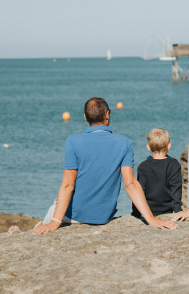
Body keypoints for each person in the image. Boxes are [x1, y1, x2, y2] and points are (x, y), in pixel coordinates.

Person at [9, 97, 176, 235]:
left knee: (36, 228)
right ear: (107, 115)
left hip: (72, 216)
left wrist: (55, 223)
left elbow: (68, 185)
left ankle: (16, 234)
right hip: (103, 217)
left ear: (84, 117)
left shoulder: (73, 141)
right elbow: (130, 184)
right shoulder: (123, 143)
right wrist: (151, 219)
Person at [130, 128, 183, 218]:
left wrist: (135, 212)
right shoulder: (174, 164)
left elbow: (140, 191)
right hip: (167, 211)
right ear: (169, 146)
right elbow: (176, 189)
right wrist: (178, 209)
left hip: (147, 211)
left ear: (148, 147)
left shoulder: (143, 166)